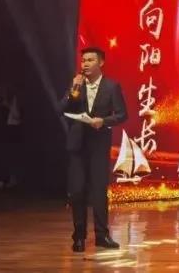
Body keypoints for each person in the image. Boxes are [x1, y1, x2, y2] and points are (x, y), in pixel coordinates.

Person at [61, 47, 127, 252]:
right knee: (77, 191)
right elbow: (62, 108)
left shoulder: (111, 86)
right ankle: (79, 236)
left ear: (101, 63)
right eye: (83, 61)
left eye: (90, 60)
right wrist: (74, 88)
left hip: (98, 144)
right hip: (78, 145)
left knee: (99, 191)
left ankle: (102, 235)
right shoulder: (77, 85)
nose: (85, 64)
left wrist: (103, 121)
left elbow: (122, 114)